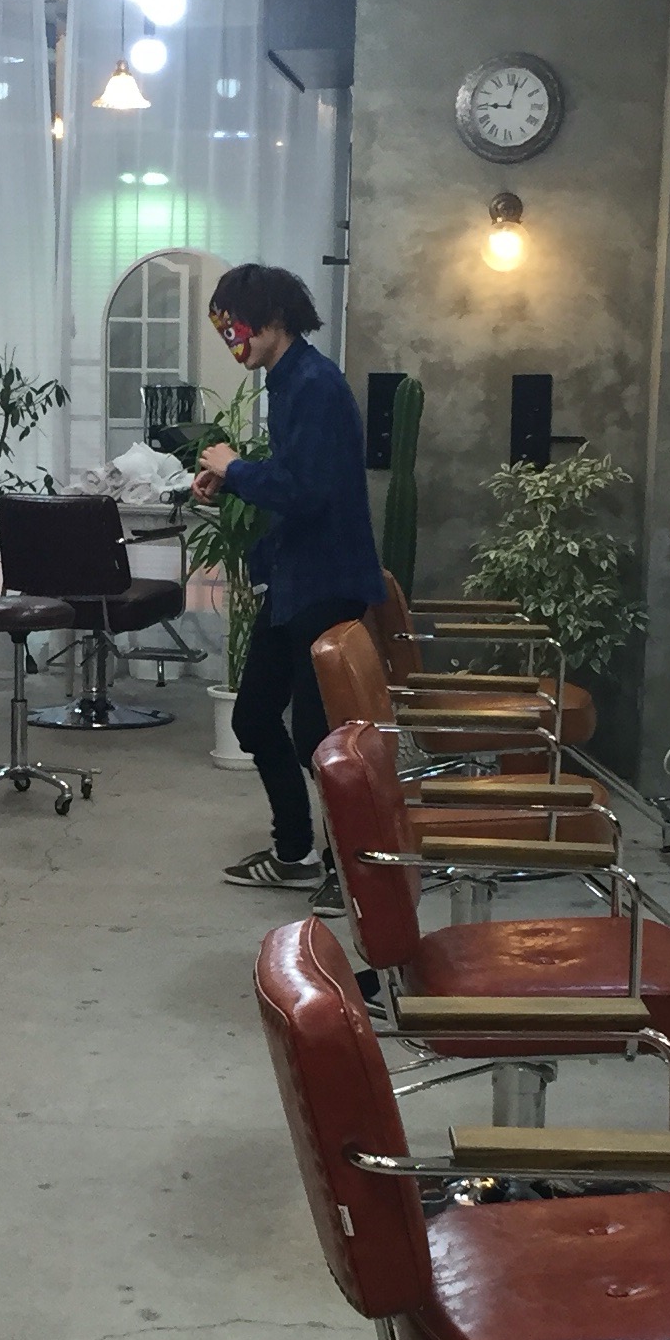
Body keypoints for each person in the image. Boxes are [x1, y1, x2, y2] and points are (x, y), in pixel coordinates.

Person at [192, 261, 382, 890]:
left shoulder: (314, 384)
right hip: (296, 581)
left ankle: (350, 874)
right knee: (253, 718)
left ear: (272, 319)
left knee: (318, 741)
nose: (232, 340)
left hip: (325, 582)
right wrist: (230, 482)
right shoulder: (288, 379)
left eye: (236, 327)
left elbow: (308, 492)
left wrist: (236, 466)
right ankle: (296, 853)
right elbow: (296, 479)